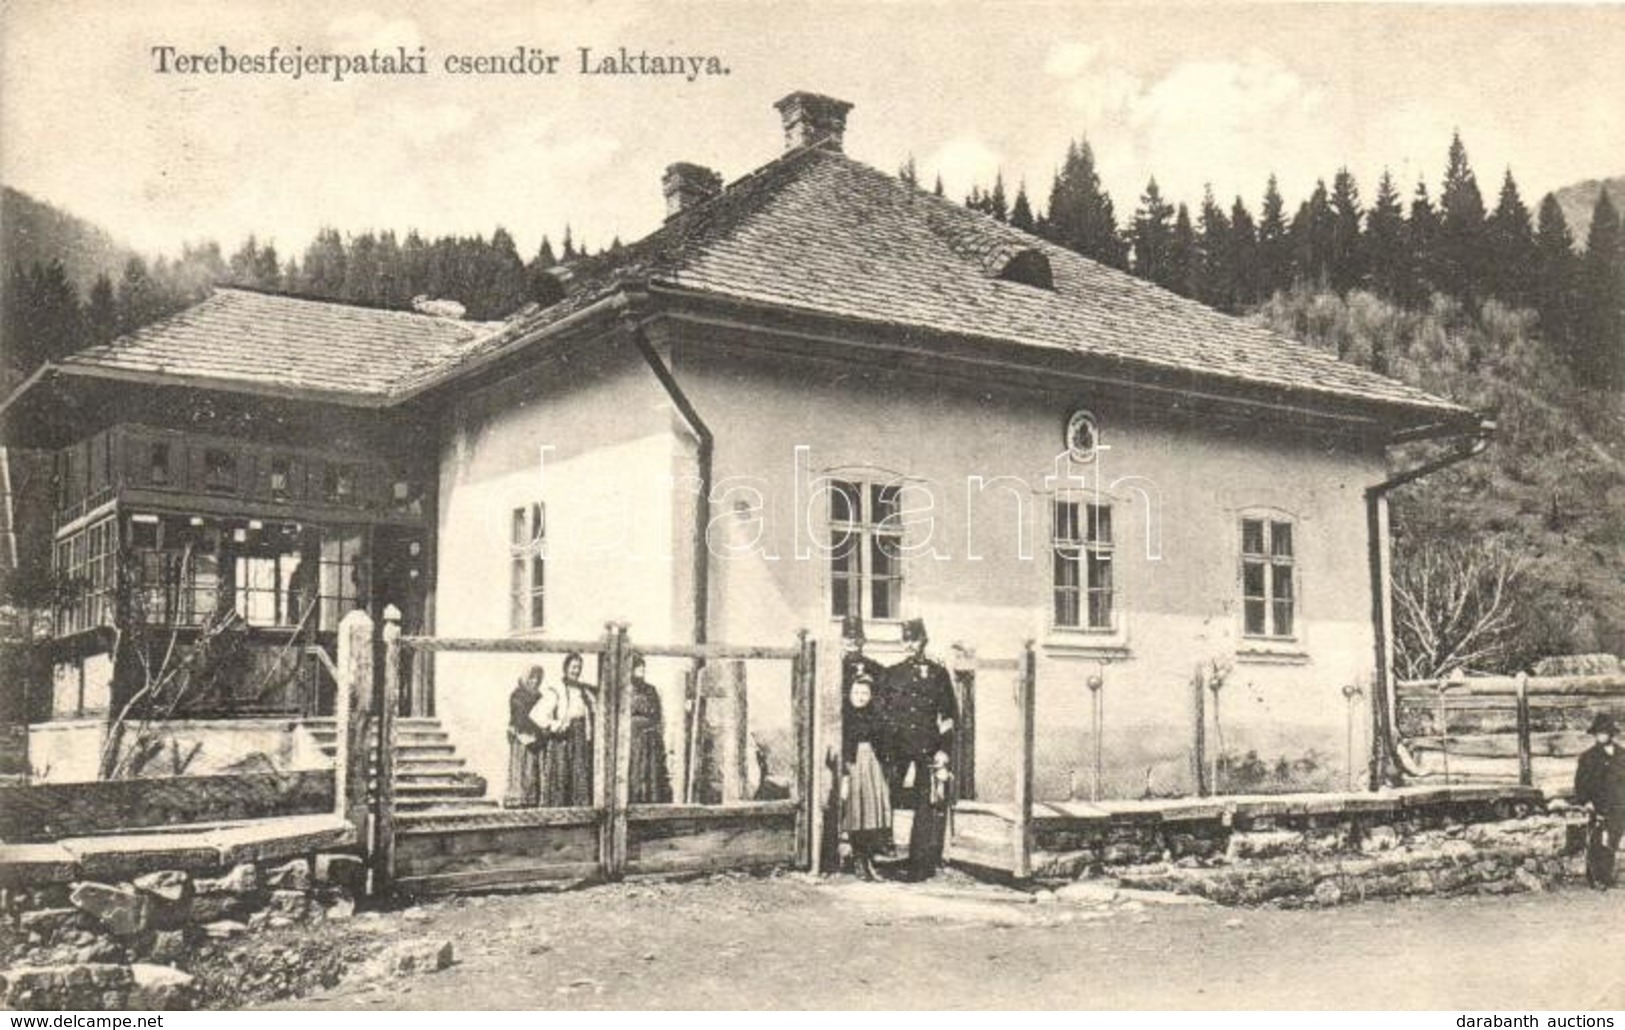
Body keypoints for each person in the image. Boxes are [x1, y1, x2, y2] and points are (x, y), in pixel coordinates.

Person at [880, 617, 958, 881]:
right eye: (905, 640)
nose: (909, 645)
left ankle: (920, 860)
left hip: (927, 745)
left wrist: (944, 750)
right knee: (886, 795)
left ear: (924, 641)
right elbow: (883, 713)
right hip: (897, 746)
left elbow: (948, 716)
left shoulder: (938, 673)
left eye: (914, 640)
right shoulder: (892, 673)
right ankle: (881, 854)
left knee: (926, 801)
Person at [840, 670, 892, 880]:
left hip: (871, 764)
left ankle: (869, 860)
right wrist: (844, 772)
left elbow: (884, 742)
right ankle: (858, 860)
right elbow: (841, 746)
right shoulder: (843, 716)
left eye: (865, 693)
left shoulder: (875, 715)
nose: (860, 697)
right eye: (856, 692)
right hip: (852, 765)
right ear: (849, 693)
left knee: (871, 813)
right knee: (856, 813)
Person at [536, 651, 595, 807]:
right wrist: (556, 725)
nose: (576, 671)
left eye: (579, 667)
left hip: (579, 736)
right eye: (573, 667)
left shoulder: (583, 690)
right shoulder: (556, 689)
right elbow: (537, 714)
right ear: (566, 668)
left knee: (579, 772)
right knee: (560, 773)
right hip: (562, 738)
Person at [1574, 713, 1625, 889]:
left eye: (1604, 732)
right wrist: (1586, 801)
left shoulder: (1621, 754)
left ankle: (1607, 875)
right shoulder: (1588, 757)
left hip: (1619, 805)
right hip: (1597, 805)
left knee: (1612, 841)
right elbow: (1580, 783)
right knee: (1596, 841)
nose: (1601, 736)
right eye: (1598, 733)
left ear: (1611, 734)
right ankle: (1596, 878)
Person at [628, 653, 673, 804]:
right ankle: (634, 801)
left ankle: (652, 802)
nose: (641, 671)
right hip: (633, 739)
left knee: (652, 771)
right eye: (638, 668)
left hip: (650, 738)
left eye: (643, 668)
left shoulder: (651, 690)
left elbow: (658, 715)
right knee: (635, 771)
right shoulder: (625, 691)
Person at [504, 666, 546, 808]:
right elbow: (519, 717)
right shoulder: (517, 695)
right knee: (519, 768)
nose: (534, 681)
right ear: (525, 678)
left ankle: (530, 800)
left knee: (531, 769)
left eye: (537, 678)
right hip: (521, 736)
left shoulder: (539, 696)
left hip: (534, 737)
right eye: (531, 678)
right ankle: (517, 799)